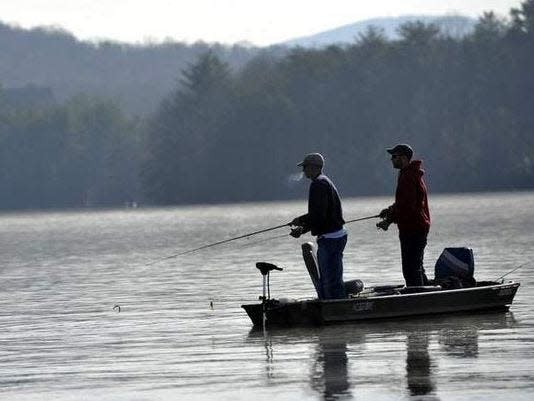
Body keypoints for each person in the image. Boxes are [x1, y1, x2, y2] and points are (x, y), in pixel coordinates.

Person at [290, 152, 347, 300]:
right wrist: (302, 228)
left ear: (314, 167)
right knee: (332, 278)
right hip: (334, 235)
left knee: (331, 280)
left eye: (305, 167)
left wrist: (300, 221)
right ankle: (336, 302)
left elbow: (319, 216)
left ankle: (337, 307)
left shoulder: (319, 184)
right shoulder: (323, 181)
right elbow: (320, 216)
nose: (303, 171)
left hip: (330, 239)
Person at [377, 144, 431, 286]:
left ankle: (418, 299)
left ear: (404, 158)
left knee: (410, 269)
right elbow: (403, 203)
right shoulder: (409, 174)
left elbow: (408, 207)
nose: (392, 160)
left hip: (413, 228)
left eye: (394, 156)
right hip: (416, 227)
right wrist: (390, 210)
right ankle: (427, 294)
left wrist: (388, 221)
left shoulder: (408, 177)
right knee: (417, 266)